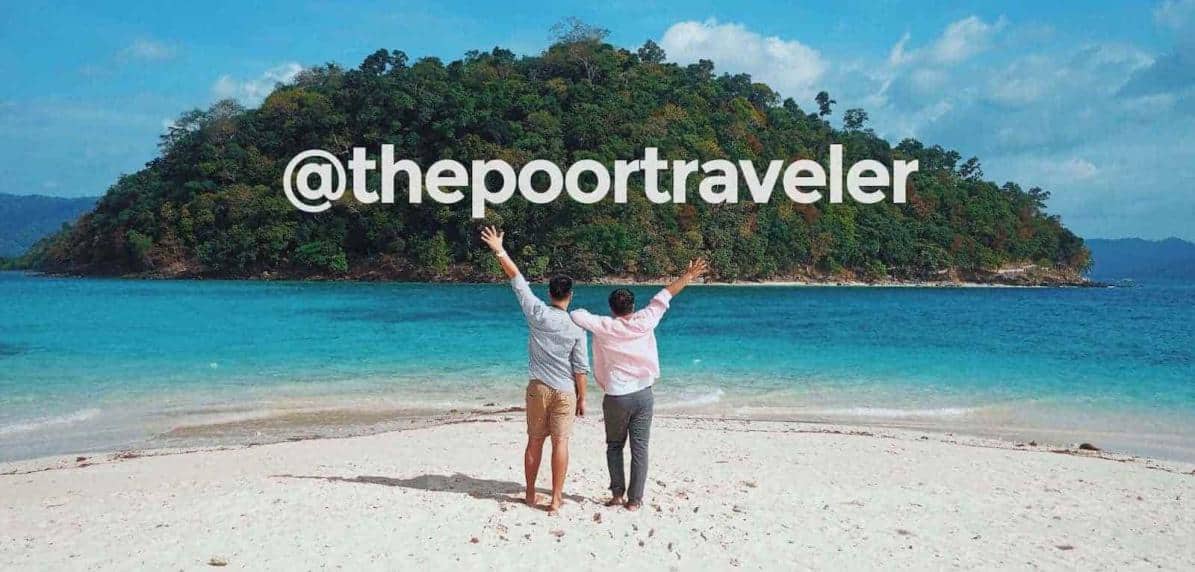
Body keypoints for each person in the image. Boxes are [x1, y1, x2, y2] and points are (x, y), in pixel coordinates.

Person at [569, 258, 708, 511]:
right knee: (640, 449)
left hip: (616, 396)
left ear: (612, 308)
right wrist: (689, 275)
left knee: (614, 446)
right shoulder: (646, 319)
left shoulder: (604, 326)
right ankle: (635, 501)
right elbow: (666, 294)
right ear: (632, 306)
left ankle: (617, 495)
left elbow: (576, 314)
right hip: (644, 394)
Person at [479, 226, 589, 514]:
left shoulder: (537, 312)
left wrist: (499, 249)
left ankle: (529, 494)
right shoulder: (577, 327)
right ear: (570, 295)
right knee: (561, 443)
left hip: (538, 388)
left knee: (534, 441)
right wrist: (582, 398)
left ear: (550, 292)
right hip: (565, 390)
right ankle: (555, 499)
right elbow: (580, 368)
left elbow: (516, 279)